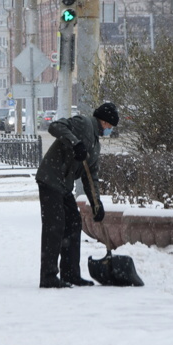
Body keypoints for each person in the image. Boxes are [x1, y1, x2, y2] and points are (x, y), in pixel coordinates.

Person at [35, 102, 118, 288]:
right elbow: (55, 126)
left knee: (73, 224)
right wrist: (76, 143)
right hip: (51, 178)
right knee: (54, 226)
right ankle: (48, 276)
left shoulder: (95, 144)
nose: (110, 130)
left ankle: (71, 274)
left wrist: (96, 204)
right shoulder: (84, 123)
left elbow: (91, 177)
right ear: (103, 121)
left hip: (64, 185)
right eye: (110, 126)